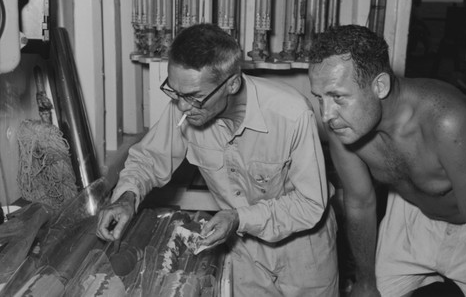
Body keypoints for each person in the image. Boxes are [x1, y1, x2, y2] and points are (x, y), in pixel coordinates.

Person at [96, 23, 339, 296]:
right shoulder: (185, 105)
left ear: (232, 83)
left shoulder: (292, 114)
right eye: (174, 92)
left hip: (303, 250)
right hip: (244, 251)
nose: (183, 107)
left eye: (195, 97)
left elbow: (309, 204)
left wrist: (238, 218)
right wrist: (127, 198)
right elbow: (149, 158)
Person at [308, 24, 466, 297]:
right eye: (319, 98)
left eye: (337, 97)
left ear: (380, 86)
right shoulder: (343, 125)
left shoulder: (448, 121)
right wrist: (364, 281)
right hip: (413, 208)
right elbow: (360, 203)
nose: (326, 114)